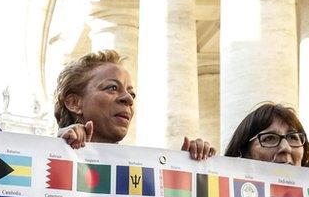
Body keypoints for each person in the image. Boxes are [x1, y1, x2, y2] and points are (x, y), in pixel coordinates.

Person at [54, 49, 215, 159]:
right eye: (112, 88)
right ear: (74, 103)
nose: (128, 99)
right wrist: (57, 149)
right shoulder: (46, 159)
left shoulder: (137, 174)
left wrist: (187, 170)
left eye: (132, 94)